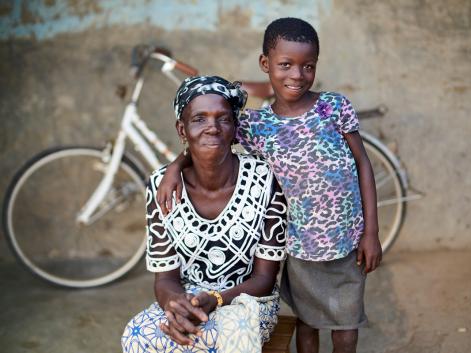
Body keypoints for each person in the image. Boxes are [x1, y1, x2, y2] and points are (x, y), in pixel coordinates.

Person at [157, 18, 382, 353]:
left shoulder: (333, 107)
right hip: (299, 248)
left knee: (346, 327)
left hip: (348, 243)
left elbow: (363, 164)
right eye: (286, 65)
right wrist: (176, 166)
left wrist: (371, 233)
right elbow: (212, 140)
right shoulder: (256, 125)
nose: (297, 75)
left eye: (308, 66)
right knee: (308, 323)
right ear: (266, 64)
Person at [121, 76, 288, 353]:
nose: (212, 128)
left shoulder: (265, 179)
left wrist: (216, 299)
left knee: (215, 337)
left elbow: (264, 279)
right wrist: (176, 306)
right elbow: (165, 279)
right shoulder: (161, 185)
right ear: (182, 129)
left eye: (223, 119)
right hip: (189, 298)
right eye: (199, 119)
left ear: (235, 128)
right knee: (137, 336)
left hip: (248, 303)